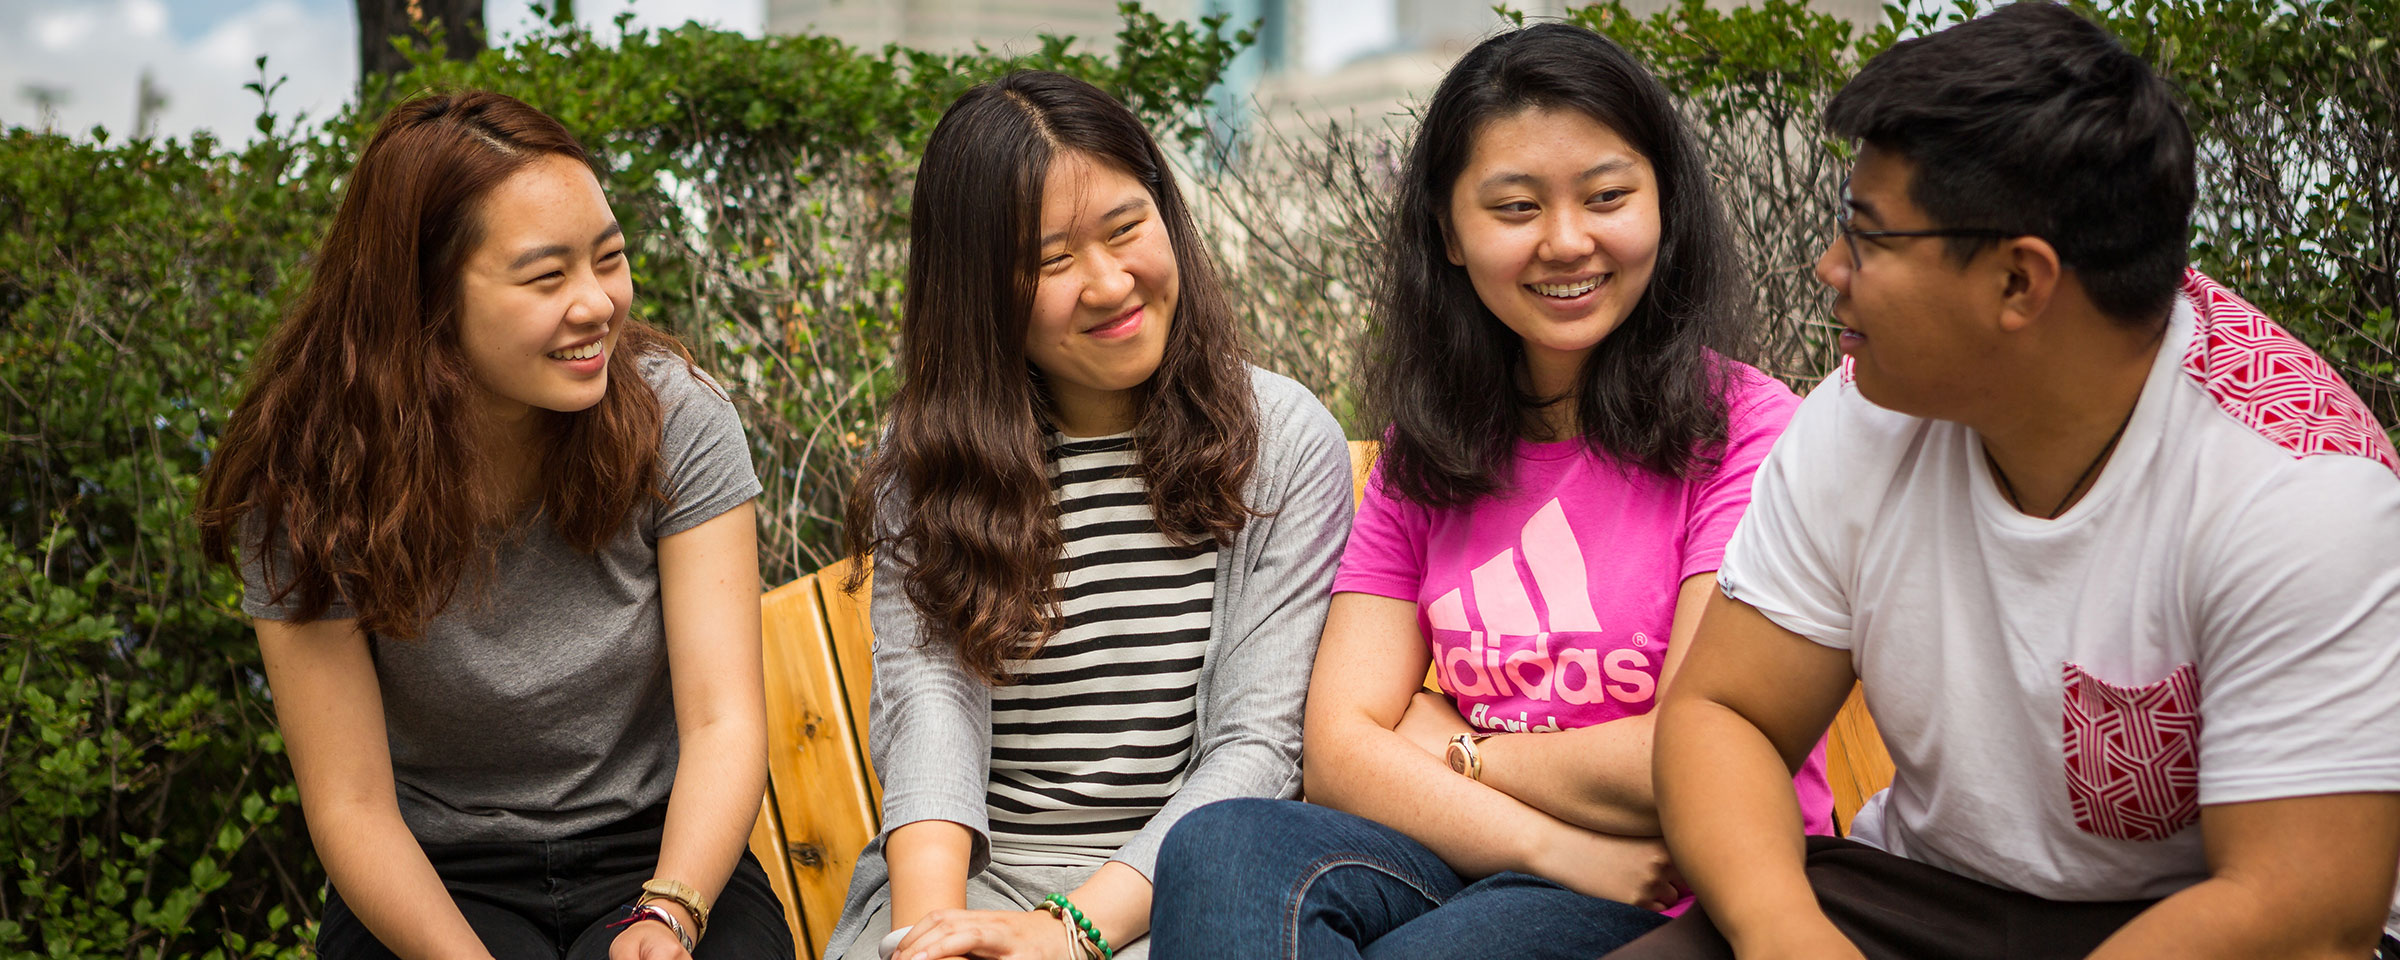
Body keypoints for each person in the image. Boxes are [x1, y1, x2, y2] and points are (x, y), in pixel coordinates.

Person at [1617, 4, 2400, 958]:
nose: (1830, 270)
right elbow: (1723, 713)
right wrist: (1785, 934)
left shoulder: (2299, 491)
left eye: (1866, 238)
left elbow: (2304, 909)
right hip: (1923, 896)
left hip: (2192, 925)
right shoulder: (1863, 412)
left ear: (2019, 284)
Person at [1148, 22, 1833, 960]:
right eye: (1515, 207)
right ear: (1450, 232)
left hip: (1685, 882)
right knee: (1222, 846)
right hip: (1491, 853)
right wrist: (1557, 843)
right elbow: (1340, 749)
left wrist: (1461, 744)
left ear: (1663, 202)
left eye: (1607, 197)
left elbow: (1690, 752)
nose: (1566, 241)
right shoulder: (1430, 449)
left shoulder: (1747, 432)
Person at [194, 91, 791, 959]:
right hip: (436, 871)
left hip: (661, 849)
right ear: (426, 299)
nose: (596, 305)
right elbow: (351, 804)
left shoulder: (678, 420)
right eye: (547, 277)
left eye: (610, 259)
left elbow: (723, 723)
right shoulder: (307, 482)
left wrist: (671, 912)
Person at [823, 70, 1353, 960]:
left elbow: (1257, 747)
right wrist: (930, 933)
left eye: (1125, 229)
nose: (1110, 284)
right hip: (977, 872)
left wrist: (1064, 932)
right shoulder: (929, 460)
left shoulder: (1281, 442)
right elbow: (931, 711)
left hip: (1189, 879)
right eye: (1052, 261)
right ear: (979, 290)